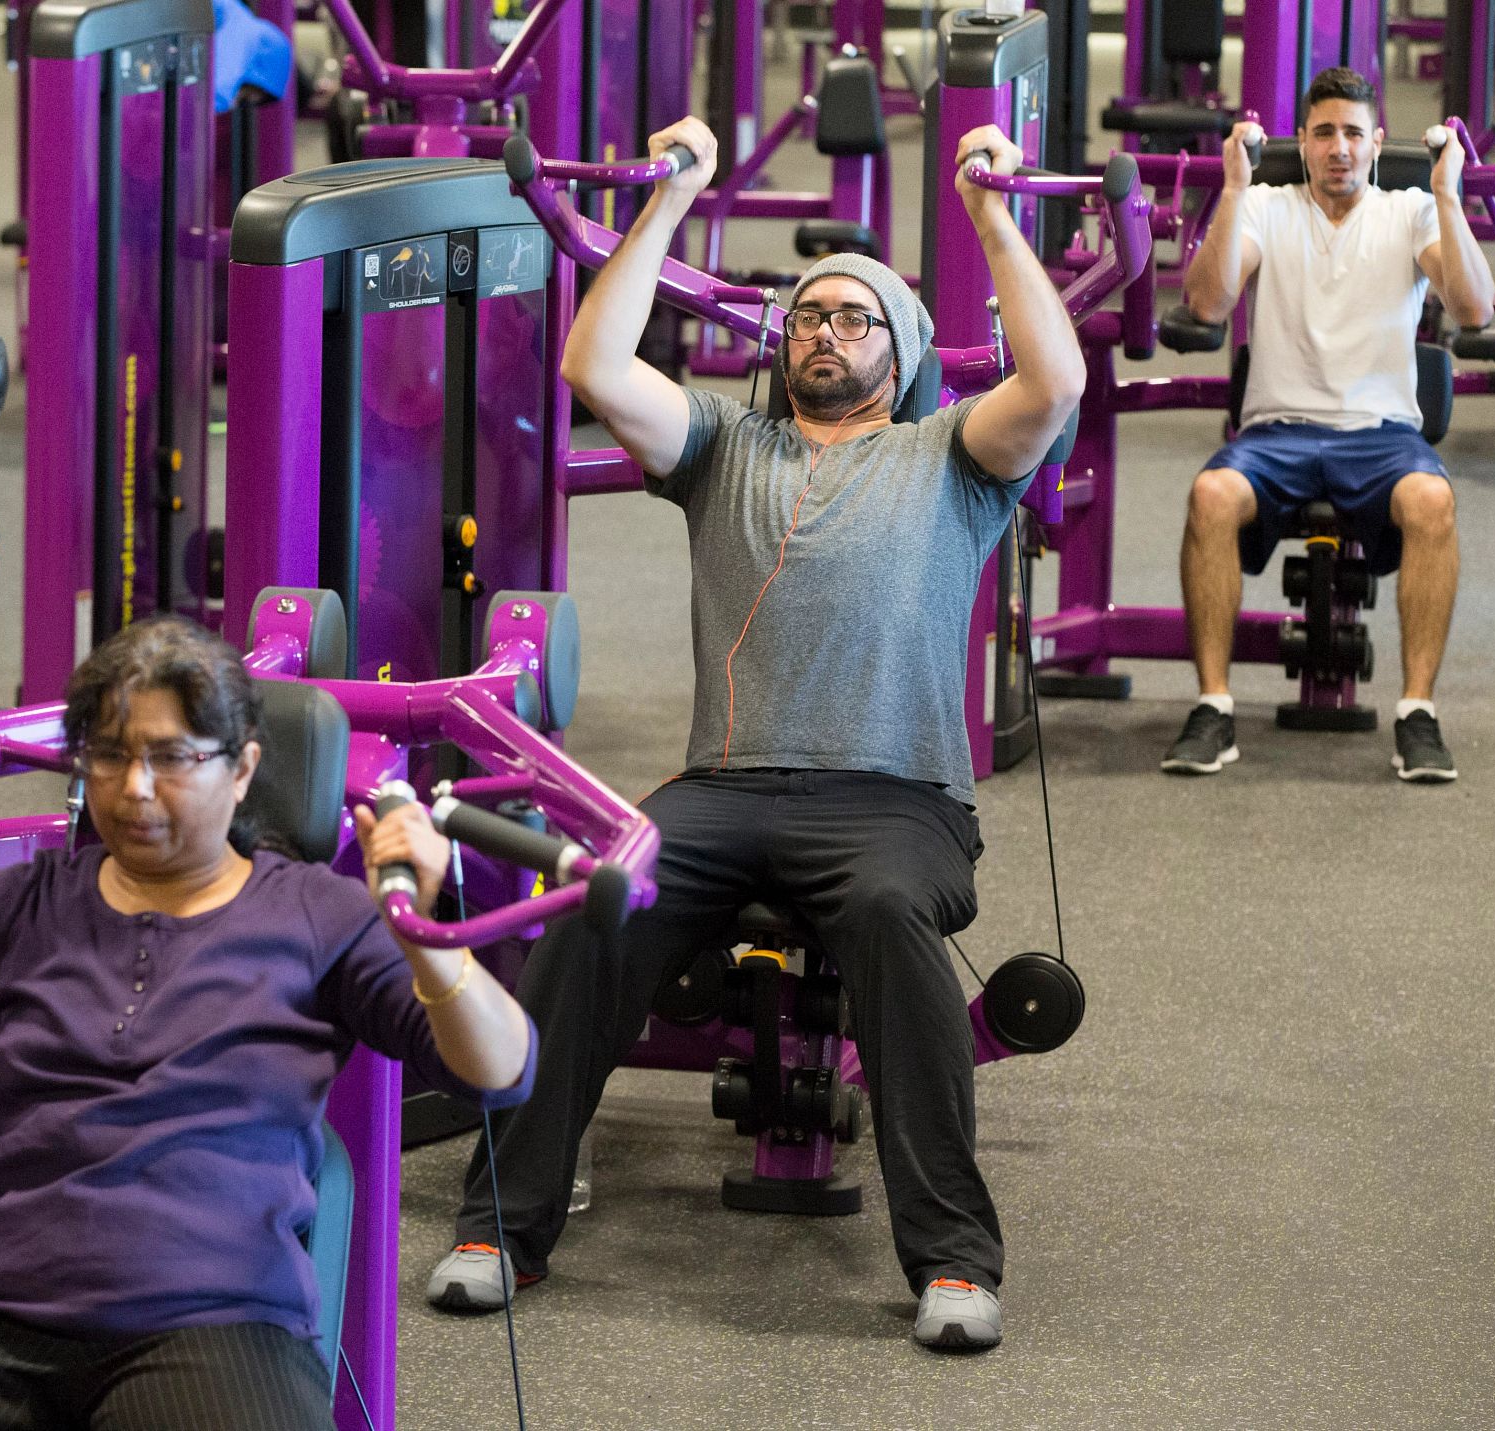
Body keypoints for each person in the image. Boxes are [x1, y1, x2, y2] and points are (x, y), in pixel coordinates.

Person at [423, 115, 1084, 1351]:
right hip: (719, 787)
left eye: (854, 319)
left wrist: (990, 217)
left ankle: (951, 1262)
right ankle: (499, 1227)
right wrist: (673, 194)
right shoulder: (723, 447)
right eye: (806, 316)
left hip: (894, 798)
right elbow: (594, 367)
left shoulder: (951, 458)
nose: (823, 333)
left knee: (888, 917)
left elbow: (1053, 386)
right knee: (593, 904)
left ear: (904, 348)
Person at [0, 617, 534, 1429]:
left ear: (242, 769)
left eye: (170, 758)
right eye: (110, 754)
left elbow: (503, 1070)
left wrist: (427, 942)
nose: (133, 787)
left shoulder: (318, 915)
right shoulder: (25, 902)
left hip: (215, 1317)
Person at [1163, 67, 1495, 782]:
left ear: (1376, 142)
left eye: (1352, 133)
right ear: (1302, 143)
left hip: (1382, 435)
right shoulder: (1264, 206)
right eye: (1323, 134)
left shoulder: (1410, 211)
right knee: (1211, 496)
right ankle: (1213, 706)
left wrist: (1447, 194)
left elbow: (1475, 309)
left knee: (1433, 501)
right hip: (1277, 433)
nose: (1338, 148)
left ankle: (1418, 714)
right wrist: (1231, 189)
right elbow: (1207, 304)